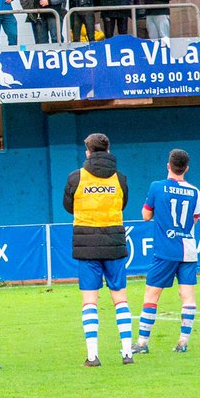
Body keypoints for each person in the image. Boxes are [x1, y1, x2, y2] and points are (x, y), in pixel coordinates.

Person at [63, 133, 133, 367]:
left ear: (88, 152)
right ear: (108, 149)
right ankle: (127, 353)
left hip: (87, 246)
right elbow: (123, 204)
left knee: (89, 302)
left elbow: (68, 206)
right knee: (120, 300)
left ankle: (92, 356)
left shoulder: (76, 177)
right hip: (114, 244)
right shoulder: (120, 178)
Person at [135, 149, 200, 355]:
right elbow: (194, 220)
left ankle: (142, 343)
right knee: (187, 296)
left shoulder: (157, 186)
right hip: (188, 249)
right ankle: (183, 342)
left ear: (168, 165)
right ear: (186, 168)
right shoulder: (195, 191)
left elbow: (146, 215)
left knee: (151, 295)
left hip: (165, 251)